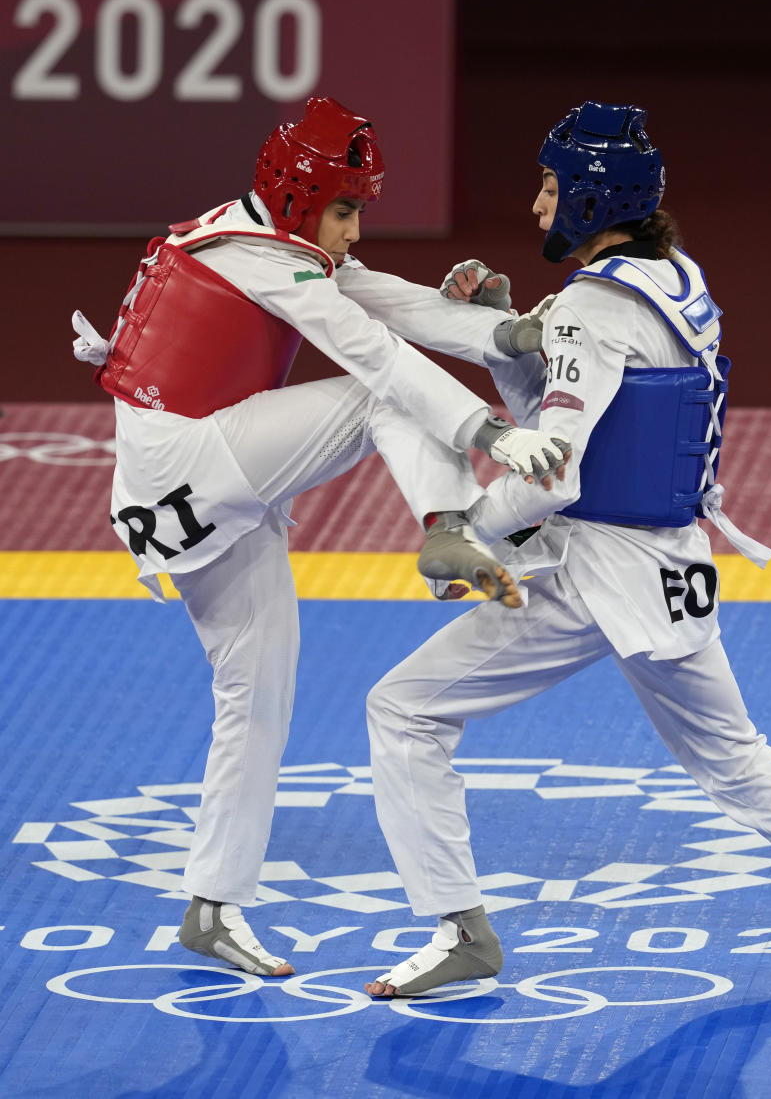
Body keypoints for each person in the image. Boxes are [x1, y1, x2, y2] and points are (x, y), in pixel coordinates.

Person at [365, 100, 771, 998]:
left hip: (588, 569)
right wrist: (507, 331)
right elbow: (598, 417)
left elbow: (552, 469)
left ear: (594, 203)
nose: (534, 207)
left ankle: (461, 929)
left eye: (551, 188)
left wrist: (462, 531)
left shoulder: (589, 310)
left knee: (402, 711)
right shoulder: (676, 276)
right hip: (675, 563)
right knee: (740, 759)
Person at [71, 96, 571, 976]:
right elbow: (378, 352)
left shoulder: (262, 242)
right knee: (384, 391)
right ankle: (449, 529)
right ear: (301, 201)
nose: (352, 229)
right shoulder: (267, 261)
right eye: (345, 210)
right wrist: (487, 435)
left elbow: (391, 302)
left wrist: (508, 331)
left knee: (255, 692)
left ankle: (211, 905)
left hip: (179, 494)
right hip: (197, 461)